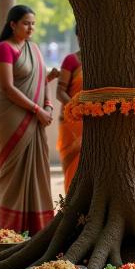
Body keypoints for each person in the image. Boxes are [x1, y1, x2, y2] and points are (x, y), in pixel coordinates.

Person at [0, 5, 54, 234]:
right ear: (12, 24)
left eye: (33, 23)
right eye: (26, 23)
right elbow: (7, 88)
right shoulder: (4, 49)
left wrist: (48, 105)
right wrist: (38, 109)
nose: (30, 28)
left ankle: (37, 230)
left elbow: (43, 81)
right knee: (13, 173)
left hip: (35, 114)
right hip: (9, 114)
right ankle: (10, 231)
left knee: (37, 169)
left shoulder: (34, 48)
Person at [56, 26, 82, 193]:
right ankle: (72, 207)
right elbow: (60, 92)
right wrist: (76, 108)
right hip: (72, 121)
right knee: (72, 167)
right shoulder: (71, 60)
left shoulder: (103, 62)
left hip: (95, 121)